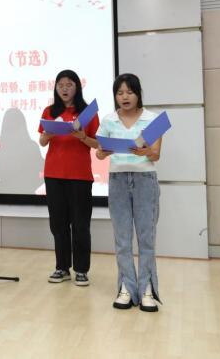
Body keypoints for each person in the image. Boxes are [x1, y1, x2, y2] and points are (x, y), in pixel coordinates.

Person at [96, 73, 163, 312]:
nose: (124, 97)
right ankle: (126, 286)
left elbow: (156, 154)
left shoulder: (152, 119)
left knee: (146, 238)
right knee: (122, 239)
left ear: (138, 94)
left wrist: (144, 152)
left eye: (129, 92)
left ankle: (147, 289)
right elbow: (99, 153)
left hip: (145, 179)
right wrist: (103, 152)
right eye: (120, 92)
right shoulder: (108, 120)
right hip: (118, 180)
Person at [38, 70, 99, 286]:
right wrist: (48, 134)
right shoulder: (50, 111)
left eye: (69, 85)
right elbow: (42, 142)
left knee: (80, 224)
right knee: (58, 224)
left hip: (80, 175)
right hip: (54, 174)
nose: (64, 89)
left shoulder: (86, 113)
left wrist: (82, 136)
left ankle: (81, 269)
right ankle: (62, 267)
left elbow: (97, 144)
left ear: (77, 88)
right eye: (60, 85)